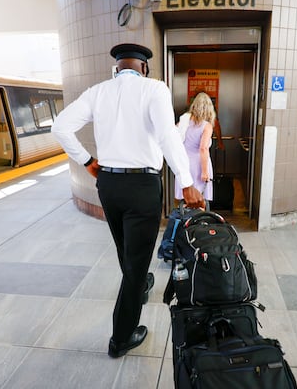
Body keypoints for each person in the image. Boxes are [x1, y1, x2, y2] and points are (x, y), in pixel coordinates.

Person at [51, 43, 205, 359]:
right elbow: (166, 136)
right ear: (144, 67)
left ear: (116, 68)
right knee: (134, 264)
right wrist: (187, 183)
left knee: (125, 247)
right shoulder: (154, 89)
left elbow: (60, 127)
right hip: (141, 185)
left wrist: (87, 161)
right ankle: (122, 337)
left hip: (108, 183)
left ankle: (142, 282)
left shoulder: (97, 92)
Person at [174, 92, 215, 204]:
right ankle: (198, 221)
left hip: (184, 164)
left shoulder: (183, 122)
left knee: (185, 200)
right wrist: (205, 171)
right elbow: (203, 148)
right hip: (198, 165)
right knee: (199, 200)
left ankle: (185, 220)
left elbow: (173, 136)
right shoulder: (206, 126)